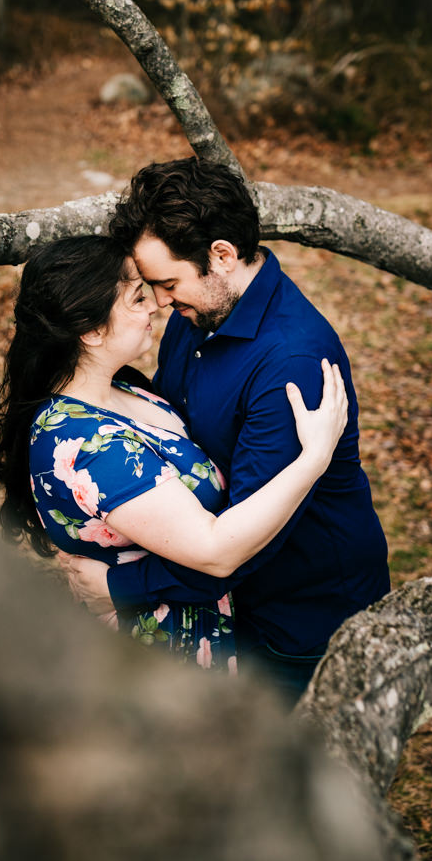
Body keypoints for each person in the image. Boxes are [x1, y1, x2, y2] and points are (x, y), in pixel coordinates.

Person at [59, 158, 391, 700]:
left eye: (168, 283)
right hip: (226, 604)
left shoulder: (291, 362)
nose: (161, 302)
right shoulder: (198, 317)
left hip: (304, 620)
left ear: (221, 256)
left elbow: (251, 537)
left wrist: (121, 587)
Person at [0, 234, 348, 673]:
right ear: (91, 330)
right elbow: (216, 550)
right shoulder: (90, 449)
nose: (157, 306)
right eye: (137, 298)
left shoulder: (123, 390)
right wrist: (315, 457)